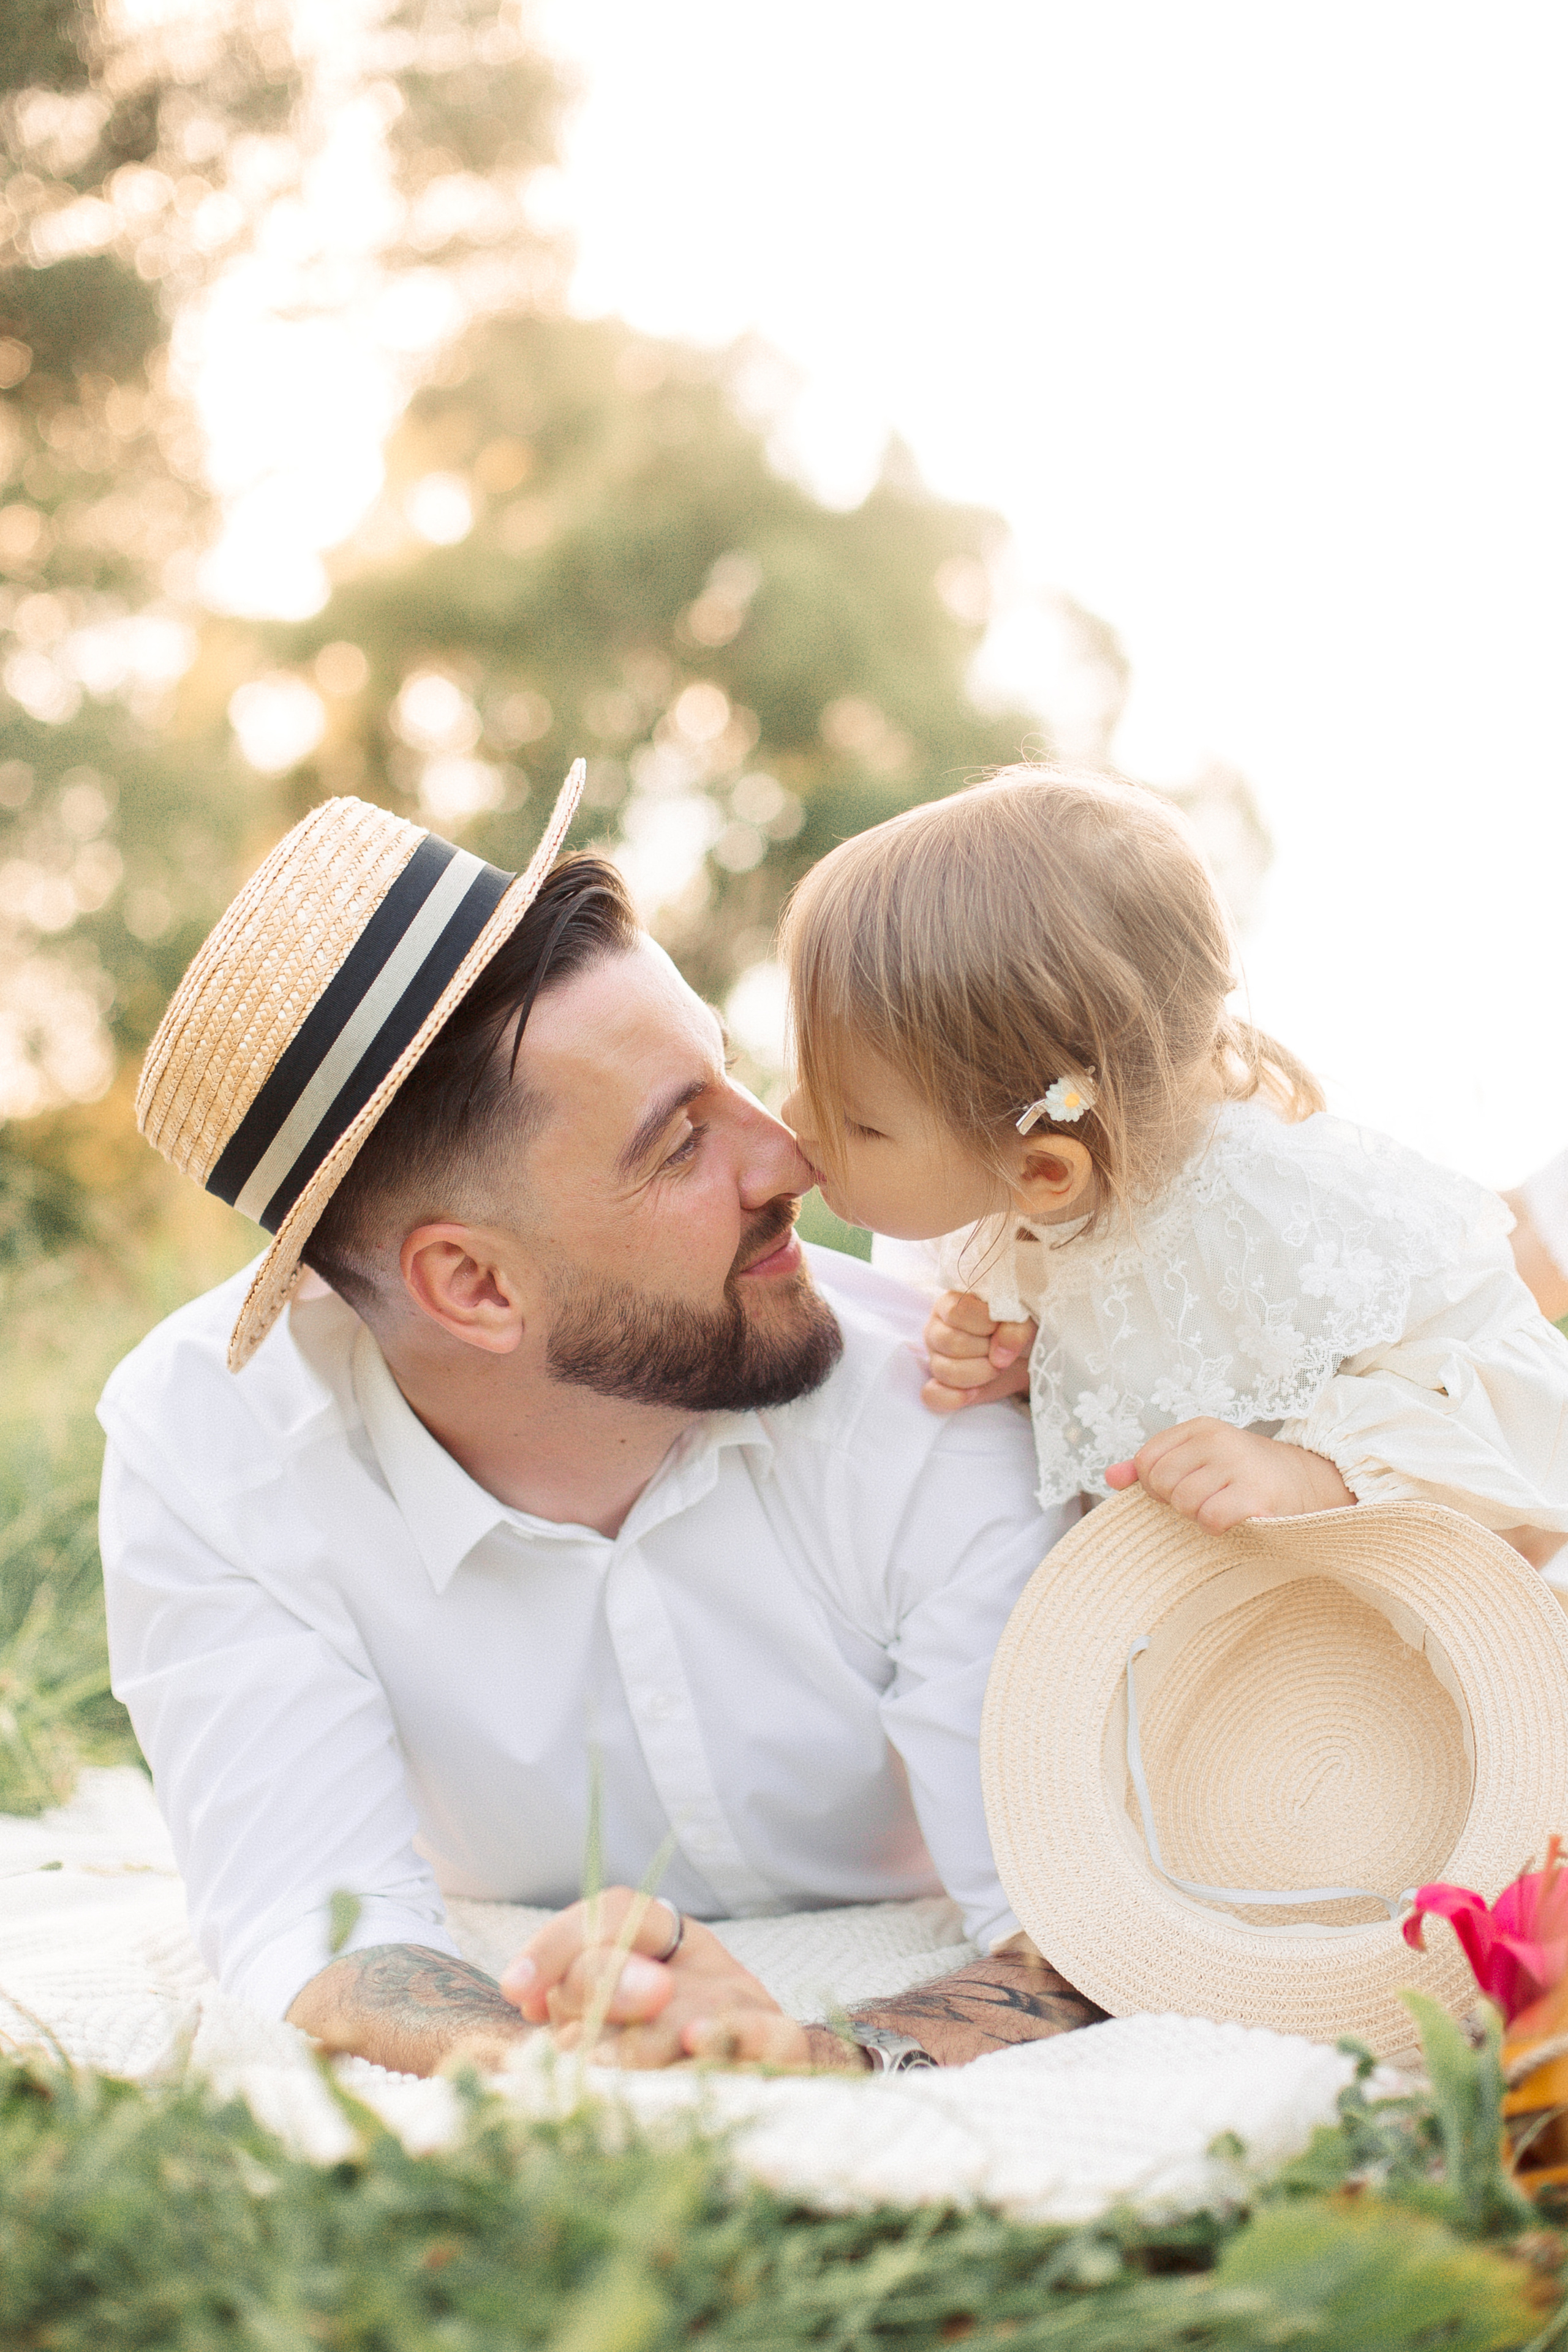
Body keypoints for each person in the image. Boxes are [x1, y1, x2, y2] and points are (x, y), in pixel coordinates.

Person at [99, 781, 1096, 2079]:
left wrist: (798, 2057)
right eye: (681, 1144)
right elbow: (312, 1922)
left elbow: (1076, 1933)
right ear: (474, 1287)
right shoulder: (207, 1449)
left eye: (725, 1077)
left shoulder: (935, 1404)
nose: (786, 1160)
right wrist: (560, 2070)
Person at [778, 766, 1568, 1563]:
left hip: (1348, 1635)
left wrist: (1314, 1472)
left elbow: (1515, 1397)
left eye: (861, 1123)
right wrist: (1032, 1377)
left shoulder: (1278, 1203)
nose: (792, 1117)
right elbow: (1128, 1357)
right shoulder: (980, 1207)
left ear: (1045, 1173)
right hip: (1169, 1633)